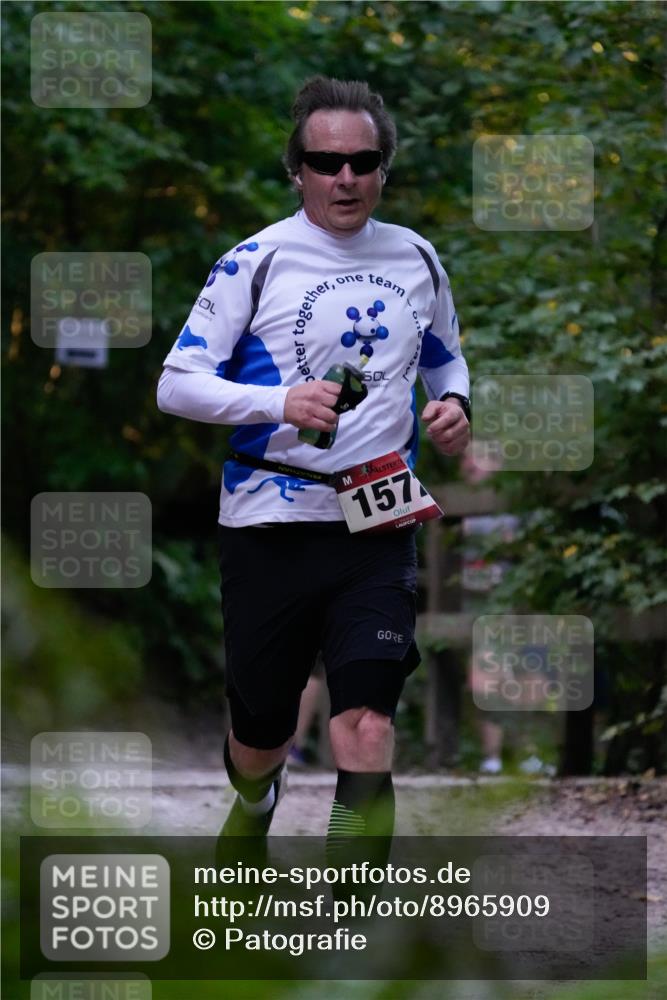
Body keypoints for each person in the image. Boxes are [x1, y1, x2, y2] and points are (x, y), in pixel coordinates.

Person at [157, 76, 470, 860]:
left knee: (364, 723)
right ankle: (256, 799)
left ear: (382, 170)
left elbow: (444, 356)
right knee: (261, 729)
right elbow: (175, 385)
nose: (345, 177)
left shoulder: (416, 257)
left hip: (378, 517)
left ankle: (352, 921)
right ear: (296, 168)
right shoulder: (254, 261)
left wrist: (455, 403)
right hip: (271, 517)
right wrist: (276, 404)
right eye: (325, 162)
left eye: (362, 161)